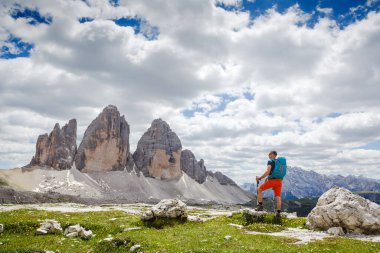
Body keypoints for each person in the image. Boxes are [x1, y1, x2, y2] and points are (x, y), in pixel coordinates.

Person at [255, 150, 282, 219]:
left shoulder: (270, 161)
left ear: (273, 155)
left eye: (270, 154)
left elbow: (268, 171)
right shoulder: (280, 163)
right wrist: (268, 178)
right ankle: (278, 213)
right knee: (278, 197)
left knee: (259, 189)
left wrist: (260, 178)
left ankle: (260, 207)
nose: (268, 155)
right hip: (279, 181)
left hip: (272, 181)